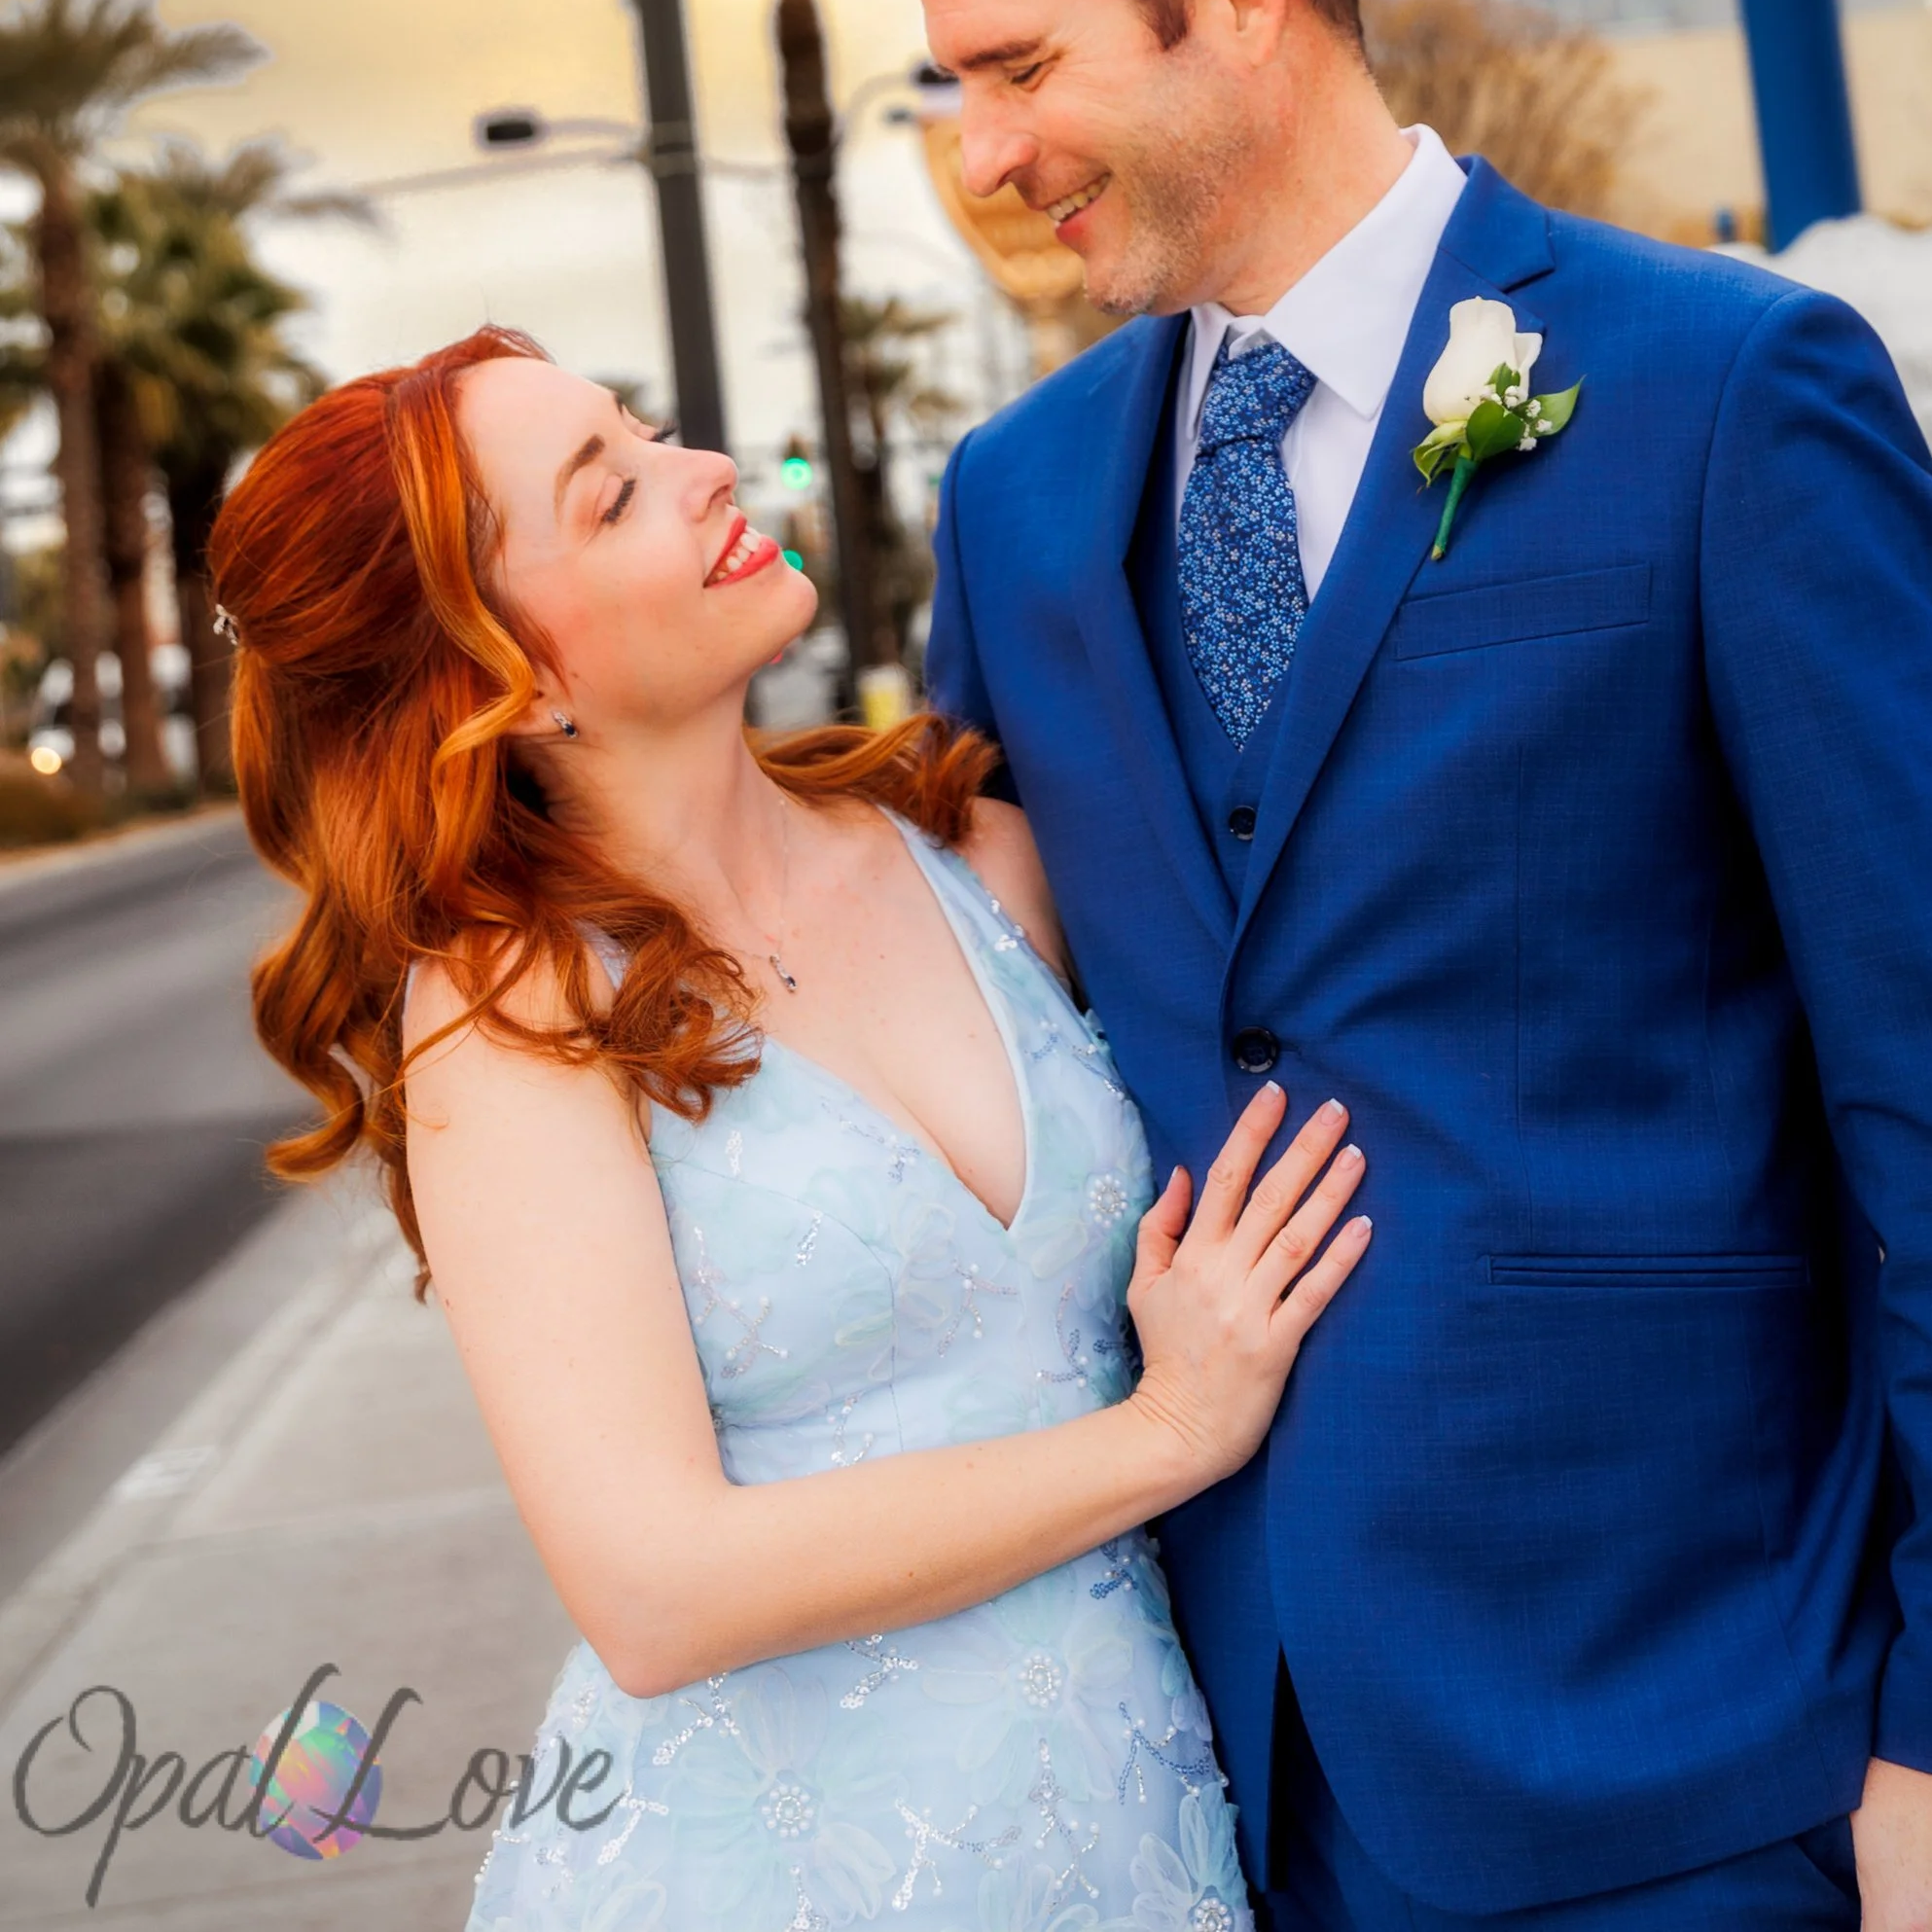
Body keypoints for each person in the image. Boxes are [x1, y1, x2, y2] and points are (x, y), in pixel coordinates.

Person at [870, 0, 1932, 1932]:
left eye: (1018, 66)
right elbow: (975, 1056)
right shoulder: (1016, 506)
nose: (977, 156)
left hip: (1698, 1745)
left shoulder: (1725, 395)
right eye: (947, 89)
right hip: (1207, 1774)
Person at [214, 325, 1369, 1929]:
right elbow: (656, 1588)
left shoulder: (978, 849)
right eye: (611, 493)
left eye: (651, 430)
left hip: (1128, 1825)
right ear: (507, 677)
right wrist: (1168, 1432)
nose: (705, 473)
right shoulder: (519, 1004)